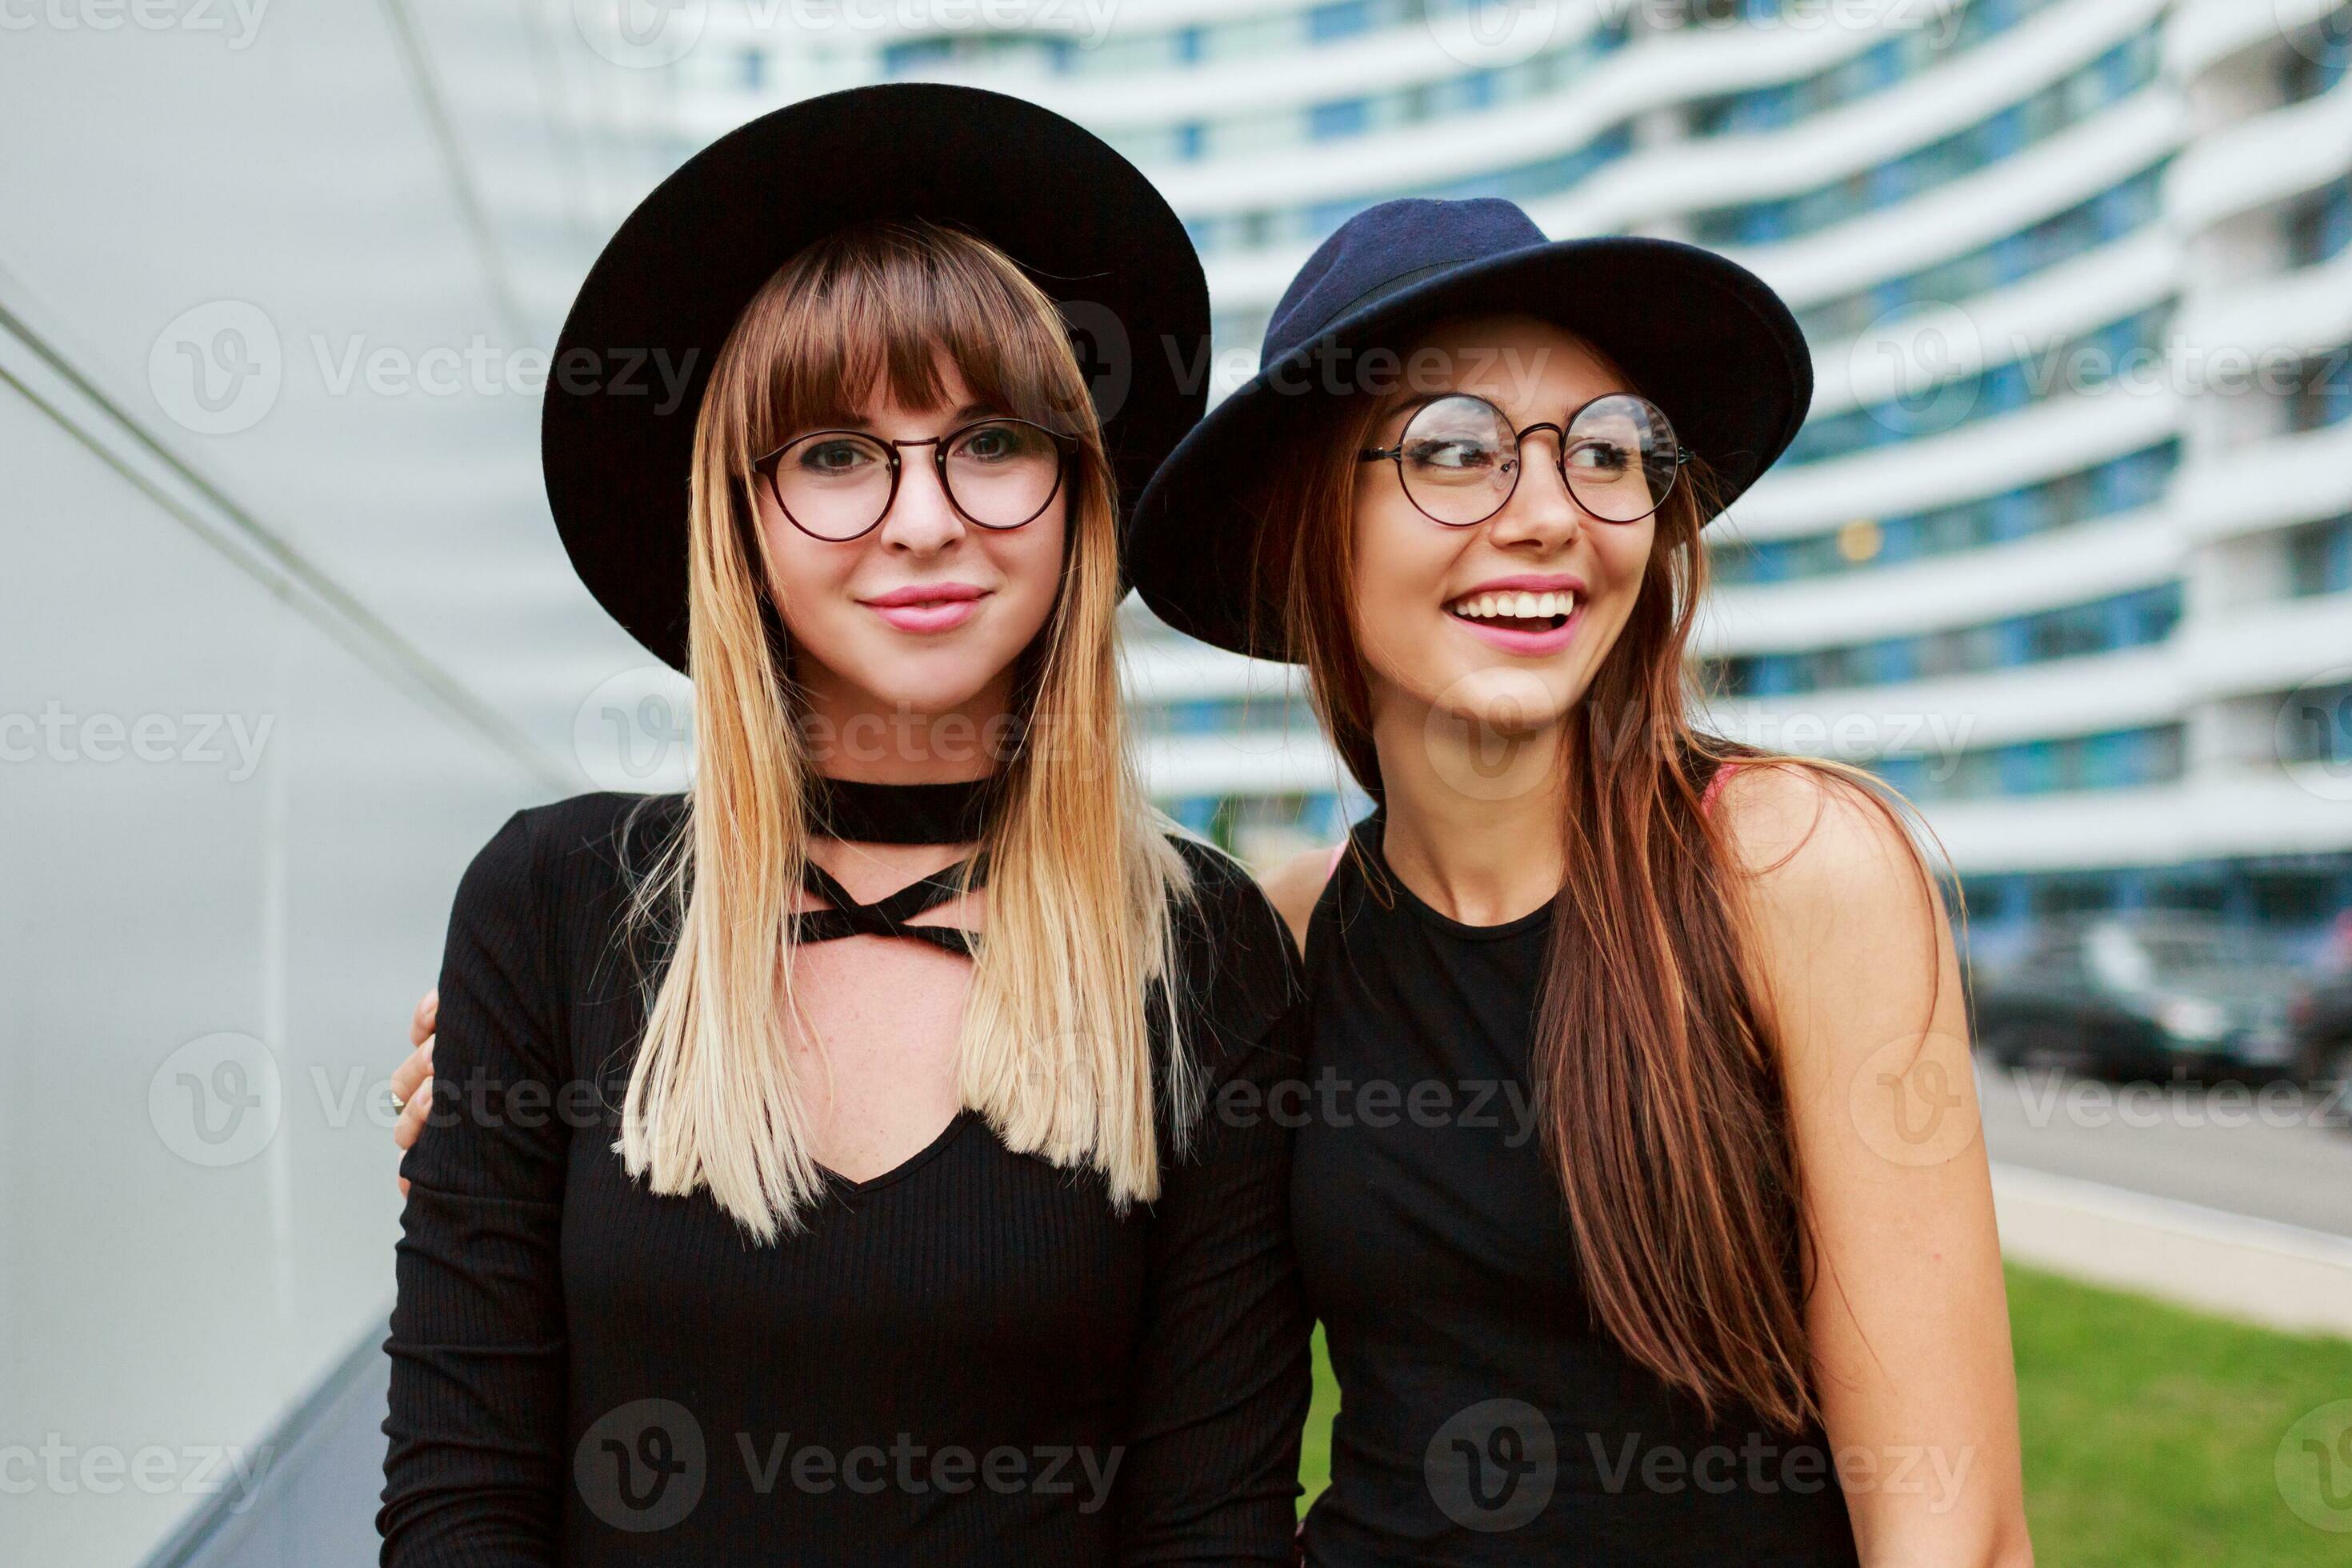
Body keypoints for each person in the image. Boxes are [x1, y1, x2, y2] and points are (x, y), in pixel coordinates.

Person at [378, 85, 1309, 1566]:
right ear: (739, 518)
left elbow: (1212, 1530)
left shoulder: (1198, 949)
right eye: (832, 453)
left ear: (1078, 497)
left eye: (990, 440)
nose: (925, 518)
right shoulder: (550, 903)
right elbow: (458, 1503)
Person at [1126, 196, 2035, 1565]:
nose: (1550, 514)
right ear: (1312, 524)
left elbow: (1953, 1529)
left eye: (1607, 452)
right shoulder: (1293, 933)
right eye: (1454, 450)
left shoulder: (1791, 865)